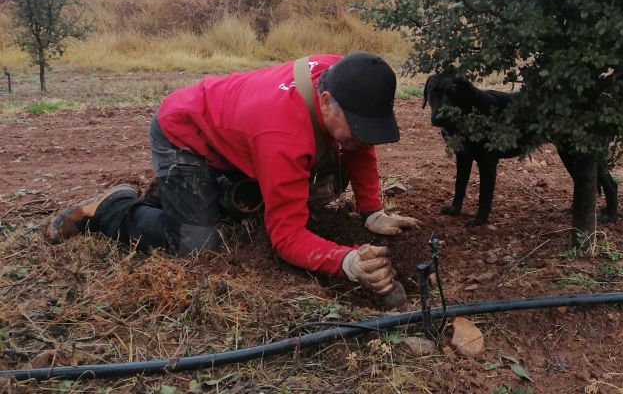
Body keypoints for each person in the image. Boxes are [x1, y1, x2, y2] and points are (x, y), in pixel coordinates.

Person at [45, 52, 421, 297]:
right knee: (193, 247)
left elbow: (359, 142)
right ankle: (112, 207)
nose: (361, 137)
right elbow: (286, 237)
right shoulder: (283, 136)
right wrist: (346, 262)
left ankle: (198, 191)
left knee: (330, 167)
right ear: (324, 102)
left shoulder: (344, 75)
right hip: (184, 135)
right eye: (356, 126)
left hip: (236, 135)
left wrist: (371, 210)